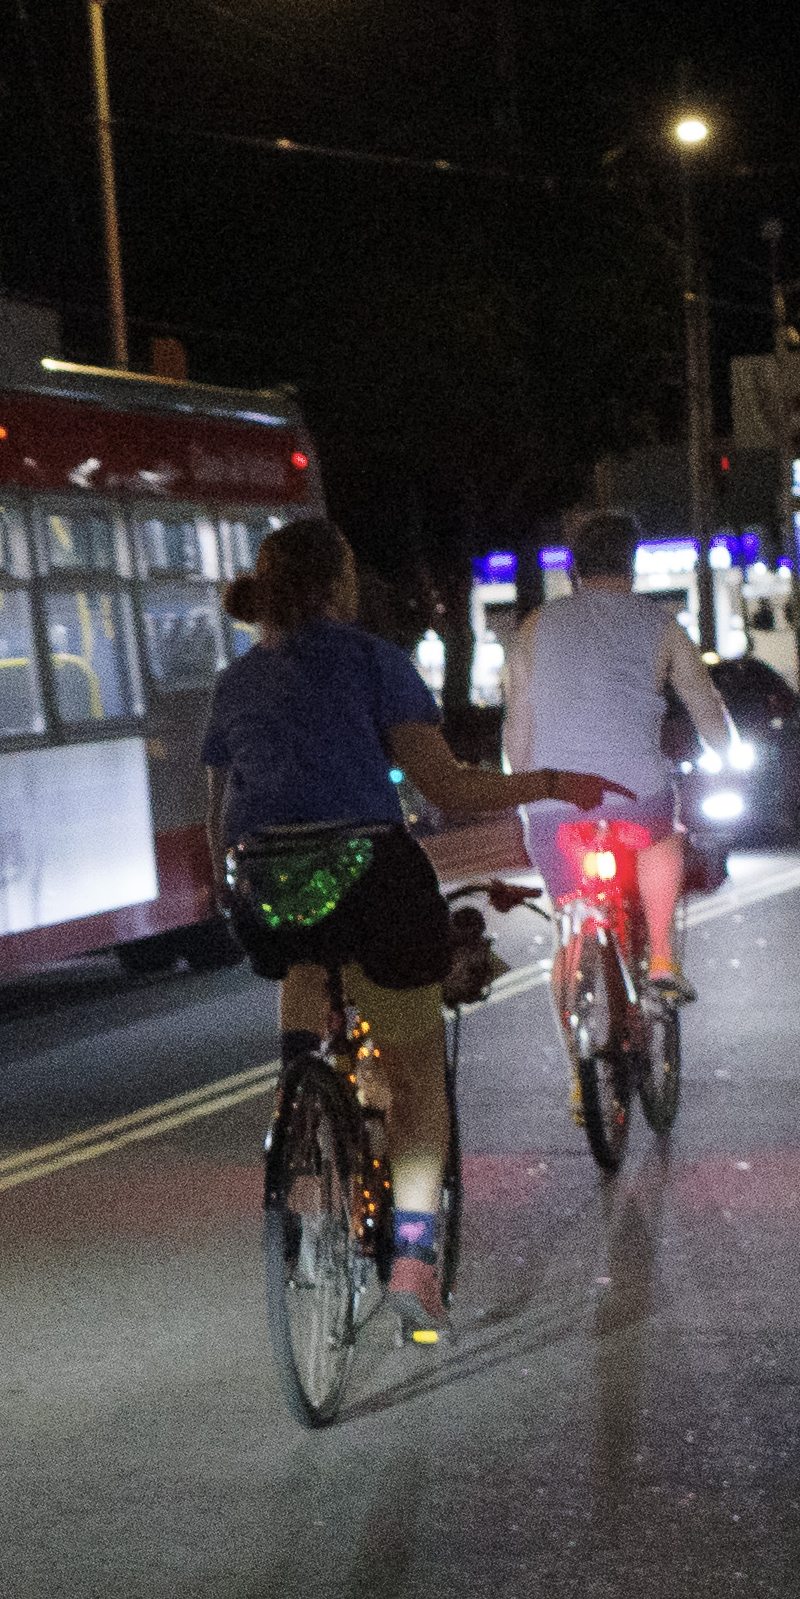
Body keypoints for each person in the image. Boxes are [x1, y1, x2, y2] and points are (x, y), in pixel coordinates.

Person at [199, 518, 612, 1342]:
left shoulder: (235, 682)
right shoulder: (374, 664)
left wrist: (236, 889)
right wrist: (556, 781)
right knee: (419, 1081)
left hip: (265, 891)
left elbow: (218, 819)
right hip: (371, 882)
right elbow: (447, 789)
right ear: (342, 585)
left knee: (305, 953)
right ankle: (415, 1260)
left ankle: (299, 1086)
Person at [499, 505, 748, 1033]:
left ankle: (578, 1078)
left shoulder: (534, 627)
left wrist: (525, 789)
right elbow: (705, 706)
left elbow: (518, 724)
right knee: (663, 839)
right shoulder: (662, 626)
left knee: (570, 927)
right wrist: (726, 753)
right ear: (632, 567)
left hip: (553, 805)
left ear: (574, 570)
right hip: (635, 794)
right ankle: (660, 959)